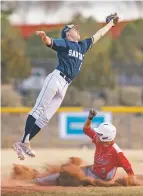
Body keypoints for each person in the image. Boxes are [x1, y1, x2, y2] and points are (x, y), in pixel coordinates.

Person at [13, 14, 119, 160]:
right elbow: (50, 42)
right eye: (74, 29)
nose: (77, 30)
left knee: (45, 118)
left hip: (65, 85)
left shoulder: (82, 46)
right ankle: (25, 141)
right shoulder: (64, 43)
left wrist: (110, 25)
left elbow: (98, 35)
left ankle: (21, 143)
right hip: (56, 78)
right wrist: (44, 37)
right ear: (68, 33)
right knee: (38, 109)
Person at [31, 109, 137, 186]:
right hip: (91, 171)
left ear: (106, 137)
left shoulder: (116, 151)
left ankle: (42, 181)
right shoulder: (98, 140)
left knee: (73, 178)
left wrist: (131, 178)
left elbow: (127, 166)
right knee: (66, 172)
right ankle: (39, 181)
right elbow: (86, 129)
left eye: (100, 133)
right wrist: (90, 118)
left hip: (100, 179)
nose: (97, 134)